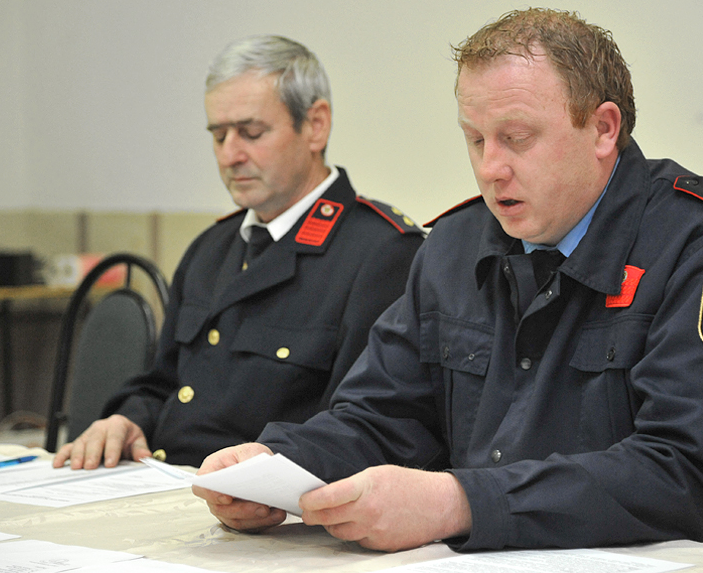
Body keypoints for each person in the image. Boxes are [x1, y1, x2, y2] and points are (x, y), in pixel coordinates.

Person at [192, 10, 703, 572]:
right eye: (474, 139)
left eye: (517, 139)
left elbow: (683, 476)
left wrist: (459, 502)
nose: (490, 167)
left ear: (604, 129)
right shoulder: (455, 246)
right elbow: (382, 416)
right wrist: (278, 466)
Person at [52, 35, 424, 469]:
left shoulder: (381, 253)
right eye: (218, 135)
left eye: (251, 132)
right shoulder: (211, 249)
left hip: (269, 496)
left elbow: (362, 428)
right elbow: (164, 383)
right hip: (165, 481)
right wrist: (127, 420)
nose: (230, 155)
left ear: (315, 125)